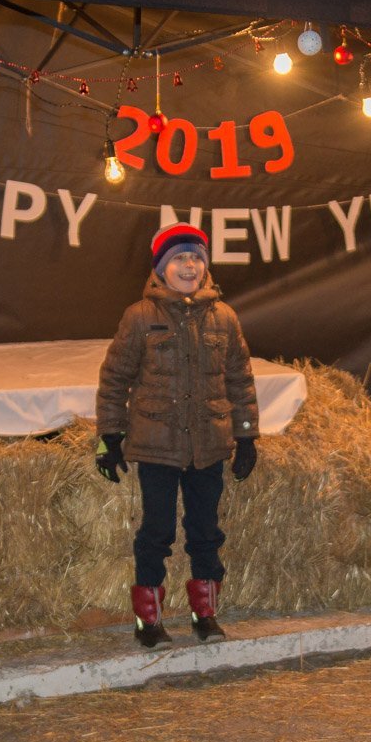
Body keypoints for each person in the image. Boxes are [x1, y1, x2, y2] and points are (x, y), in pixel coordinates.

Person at [95, 223, 259, 650]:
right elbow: (114, 379)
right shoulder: (139, 316)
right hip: (157, 446)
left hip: (208, 445)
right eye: (179, 259)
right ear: (161, 268)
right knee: (157, 532)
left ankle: (204, 614)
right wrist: (109, 438)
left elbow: (240, 379)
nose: (189, 265)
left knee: (206, 531)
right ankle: (148, 619)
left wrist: (245, 436)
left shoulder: (224, 317)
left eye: (197, 257)